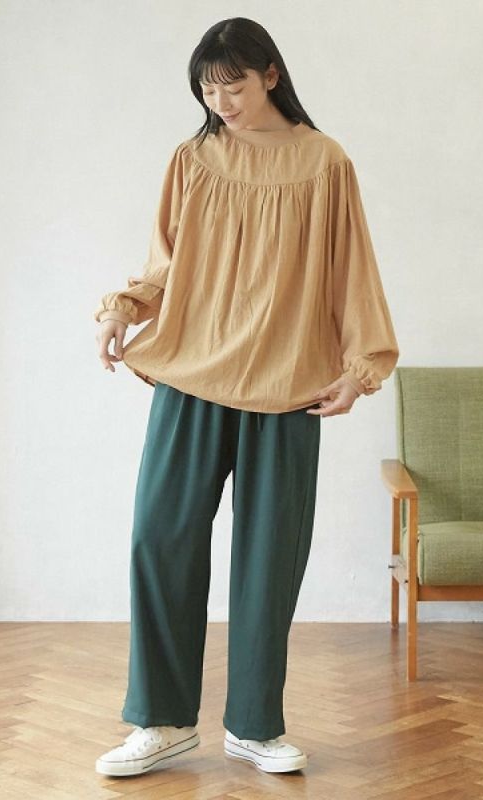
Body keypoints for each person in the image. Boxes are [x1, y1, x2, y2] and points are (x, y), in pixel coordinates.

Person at [93, 17, 399, 778]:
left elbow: (352, 269)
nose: (220, 101)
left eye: (232, 85)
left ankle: (255, 726)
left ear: (270, 75)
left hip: (290, 385)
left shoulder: (324, 162)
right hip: (193, 376)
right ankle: (162, 722)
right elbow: (165, 263)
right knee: (159, 540)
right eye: (207, 89)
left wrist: (361, 368)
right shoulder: (194, 158)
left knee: (269, 562)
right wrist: (122, 310)